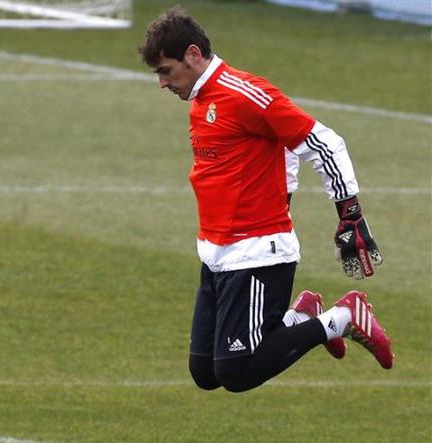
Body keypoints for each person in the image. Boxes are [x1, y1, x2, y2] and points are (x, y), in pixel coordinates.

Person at [138, 7, 393, 393]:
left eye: (165, 71)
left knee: (236, 373)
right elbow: (283, 153)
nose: (162, 83)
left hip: (256, 253)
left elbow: (323, 143)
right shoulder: (201, 101)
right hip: (216, 254)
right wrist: (282, 195)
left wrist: (350, 215)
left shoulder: (244, 93)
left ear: (192, 54)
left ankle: (343, 317)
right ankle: (303, 316)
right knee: (205, 372)